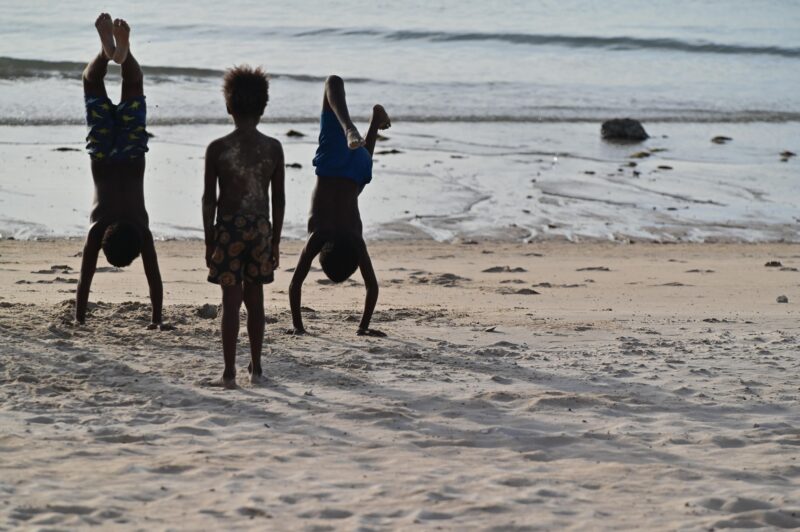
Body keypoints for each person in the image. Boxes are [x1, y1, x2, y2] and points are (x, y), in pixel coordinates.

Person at [76, 14, 163, 328]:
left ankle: (121, 53)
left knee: (133, 83)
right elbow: (84, 280)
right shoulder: (98, 228)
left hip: (130, 153)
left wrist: (157, 318)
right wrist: (79, 317)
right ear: (104, 243)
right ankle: (105, 53)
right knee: (91, 82)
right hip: (101, 153)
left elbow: (155, 281)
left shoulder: (141, 229)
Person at [288, 75, 390, 337]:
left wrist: (363, 325)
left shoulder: (356, 241)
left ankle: (373, 124)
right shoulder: (318, 236)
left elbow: (372, 288)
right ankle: (349, 128)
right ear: (324, 254)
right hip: (333, 164)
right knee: (332, 83)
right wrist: (296, 325)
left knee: (359, 182)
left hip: (359, 168)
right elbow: (294, 284)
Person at [202, 65, 285, 389]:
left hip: (228, 229)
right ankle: (258, 369)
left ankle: (228, 373)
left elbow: (209, 200)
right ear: (263, 108)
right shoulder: (273, 148)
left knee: (231, 303)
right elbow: (278, 200)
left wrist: (209, 240)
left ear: (228, 106)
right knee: (256, 301)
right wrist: (275, 241)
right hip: (260, 228)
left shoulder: (218, 148)